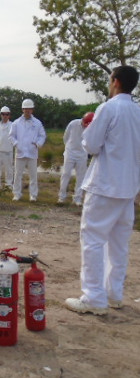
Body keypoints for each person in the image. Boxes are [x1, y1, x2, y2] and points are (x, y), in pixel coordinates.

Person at [65, 65, 140, 315]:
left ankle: (94, 297)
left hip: (106, 184)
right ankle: (113, 293)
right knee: (119, 243)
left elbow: (92, 145)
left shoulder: (108, 108)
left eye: (110, 79)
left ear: (116, 81)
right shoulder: (137, 111)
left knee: (93, 240)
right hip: (128, 187)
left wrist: (87, 133)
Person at [9, 99, 46, 202]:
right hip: (20, 153)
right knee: (17, 175)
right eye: (25, 109)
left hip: (32, 152)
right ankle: (17, 194)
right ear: (22, 109)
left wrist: (38, 143)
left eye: (29, 109)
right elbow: (11, 136)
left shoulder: (37, 123)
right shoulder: (16, 123)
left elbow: (42, 135)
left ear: (32, 109)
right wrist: (16, 144)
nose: (27, 111)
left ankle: (33, 195)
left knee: (33, 175)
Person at [58, 112, 94, 206]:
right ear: (83, 120)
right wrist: (69, 148)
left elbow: (90, 141)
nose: (85, 126)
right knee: (66, 174)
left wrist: (87, 152)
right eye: (85, 124)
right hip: (70, 153)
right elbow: (65, 137)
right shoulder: (73, 123)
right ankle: (61, 197)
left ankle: (77, 198)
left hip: (82, 154)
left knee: (81, 177)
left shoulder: (91, 128)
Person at [0, 106, 14, 190]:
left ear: (9, 115)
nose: (5, 116)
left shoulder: (13, 125)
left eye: (7, 114)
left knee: (9, 169)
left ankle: (9, 184)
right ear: (0, 115)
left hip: (8, 150)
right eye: (3, 114)